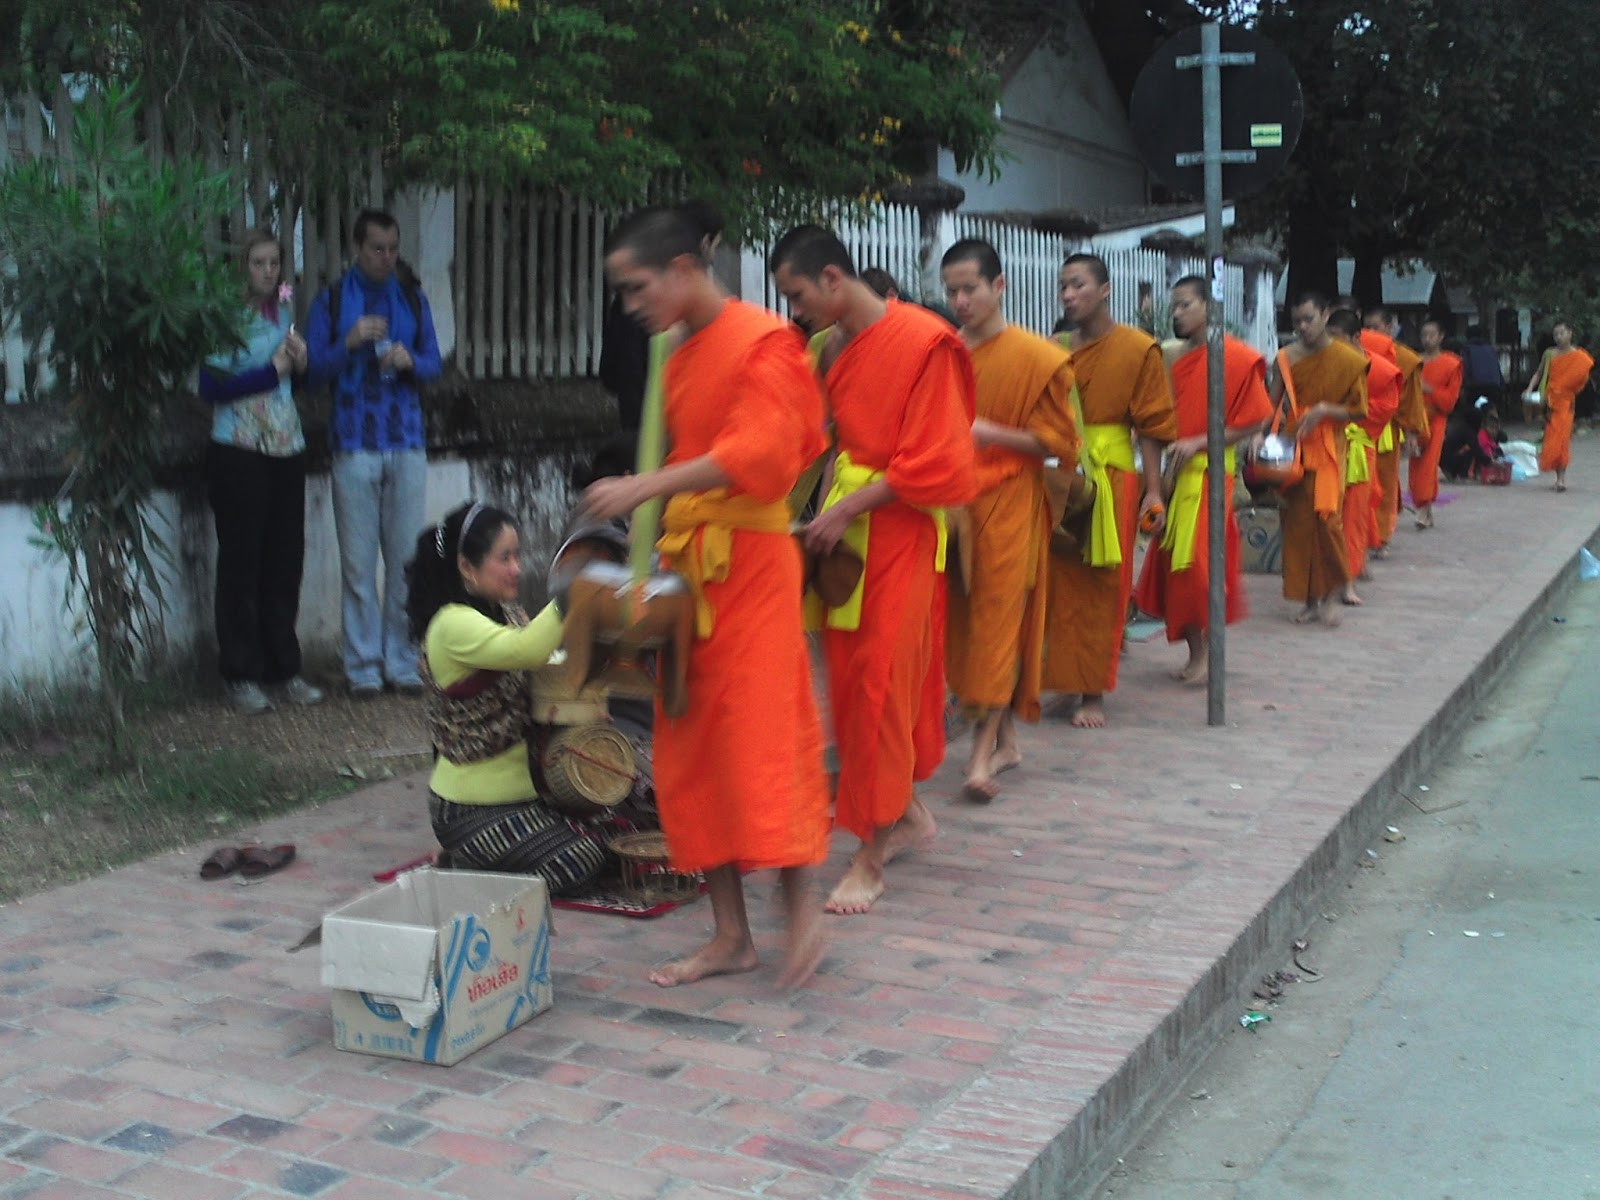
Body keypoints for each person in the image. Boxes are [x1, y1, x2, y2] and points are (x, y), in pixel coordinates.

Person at [583, 206, 831, 988]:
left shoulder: (766, 339)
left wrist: (645, 486)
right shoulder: (675, 352)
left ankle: (800, 908)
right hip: (688, 567)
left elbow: (760, 453)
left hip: (752, 565)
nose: (631, 305)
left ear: (685, 268)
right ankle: (732, 935)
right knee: (690, 748)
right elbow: (683, 453)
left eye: (636, 287)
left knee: (763, 735)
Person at [769, 224, 977, 916]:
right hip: (846, 534)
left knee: (882, 687)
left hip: (900, 531)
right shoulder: (827, 348)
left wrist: (848, 503)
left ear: (832, 279)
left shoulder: (925, 342)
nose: (794, 312)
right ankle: (905, 810)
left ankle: (870, 856)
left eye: (797, 296)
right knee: (856, 688)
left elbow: (940, 462)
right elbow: (807, 438)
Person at [404, 501, 612, 893]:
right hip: (469, 810)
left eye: (518, 555)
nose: (517, 568)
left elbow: (547, 655)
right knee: (582, 860)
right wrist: (574, 588)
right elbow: (528, 650)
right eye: (505, 558)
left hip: (525, 796)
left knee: (617, 825)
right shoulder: (451, 624)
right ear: (467, 567)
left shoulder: (504, 613)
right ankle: (469, 861)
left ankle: (478, 860)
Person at [938, 238, 1078, 802]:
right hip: (952, 503)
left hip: (1010, 499)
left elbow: (1059, 444)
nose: (960, 300)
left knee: (997, 624)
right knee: (964, 629)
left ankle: (978, 760)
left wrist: (992, 434)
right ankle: (1006, 738)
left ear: (999, 286)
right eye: (951, 291)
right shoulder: (943, 351)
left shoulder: (1036, 357)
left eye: (970, 288)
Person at [306, 209, 443, 699]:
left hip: (405, 439)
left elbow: (435, 362)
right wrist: (348, 341)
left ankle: (402, 660)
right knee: (359, 564)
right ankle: (362, 665)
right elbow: (311, 371)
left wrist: (412, 362)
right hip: (353, 442)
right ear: (356, 249)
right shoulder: (333, 299)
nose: (386, 257)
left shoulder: (411, 296)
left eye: (392, 248)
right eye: (377, 248)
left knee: (406, 559)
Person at [1044, 253, 1177, 727]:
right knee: (1060, 580)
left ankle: (1093, 691)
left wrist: (1154, 491)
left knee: (1103, 583)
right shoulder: (1055, 347)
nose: (1067, 295)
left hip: (1116, 478)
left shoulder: (1140, 349)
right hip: (1065, 475)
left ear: (1105, 290)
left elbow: (1151, 427)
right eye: (1063, 286)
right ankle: (1063, 676)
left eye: (1077, 285)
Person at [199, 229, 325, 715]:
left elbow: (299, 382)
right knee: (241, 564)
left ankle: (283, 668)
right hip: (239, 449)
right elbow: (211, 386)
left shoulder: (286, 313)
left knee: (284, 560)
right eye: (258, 263)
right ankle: (241, 672)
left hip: (285, 446)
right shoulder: (224, 320)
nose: (268, 272)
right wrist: (272, 370)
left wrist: (303, 363)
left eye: (274, 263)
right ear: (243, 268)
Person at [1133, 276, 1272, 681]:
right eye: (1173, 306)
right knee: (1175, 570)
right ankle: (1195, 653)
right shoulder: (1171, 357)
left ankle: (1211, 655)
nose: (1176, 313)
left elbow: (1254, 420)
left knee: (1201, 569)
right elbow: (1156, 420)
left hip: (1211, 476)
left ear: (1209, 308)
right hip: (1174, 476)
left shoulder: (1236, 358)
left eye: (1185, 305)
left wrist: (1200, 442)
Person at [1270, 292, 1369, 626]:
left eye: (1308, 319)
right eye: (1296, 321)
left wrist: (1325, 409)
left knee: (1327, 522)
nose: (1302, 327)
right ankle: (1310, 599)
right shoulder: (1285, 357)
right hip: (1293, 451)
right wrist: (1259, 436)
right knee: (1298, 526)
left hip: (1328, 450)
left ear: (1326, 315)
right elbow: (1269, 405)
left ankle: (1331, 593)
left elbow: (1359, 410)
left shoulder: (1347, 359)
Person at [1329, 309, 1398, 604]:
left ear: (1356, 338)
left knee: (1353, 515)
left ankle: (1347, 582)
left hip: (1359, 445)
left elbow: (1386, 408)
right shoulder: (1325, 362)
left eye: (1339, 339)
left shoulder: (1380, 369)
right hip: (1329, 446)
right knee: (1329, 515)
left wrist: (1350, 414)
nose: (1333, 345)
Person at [1363, 306, 1427, 557]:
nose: (1370, 333)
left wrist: (1412, 432)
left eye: (1376, 327)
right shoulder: (1357, 352)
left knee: (1385, 485)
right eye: (1367, 327)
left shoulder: (1405, 358)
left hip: (1388, 429)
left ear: (1391, 328)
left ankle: (1382, 536)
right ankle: (1364, 534)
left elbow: (1412, 398)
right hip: (1358, 427)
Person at [1525, 321, 1594, 492]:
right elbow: (1539, 373)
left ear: (1570, 333)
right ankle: (1558, 477)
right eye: (1556, 334)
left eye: (1562, 333)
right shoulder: (1550, 354)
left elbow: (1582, 378)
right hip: (1549, 403)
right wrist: (1529, 388)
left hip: (1566, 403)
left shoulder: (1579, 356)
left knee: (1562, 441)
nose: (1558, 337)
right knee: (1552, 440)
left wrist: (1568, 388)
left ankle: (1561, 480)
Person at [1412, 319, 1462, 528]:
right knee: (1416, 465)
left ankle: (1423, 511)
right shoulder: (1414, 361)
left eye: (1431, 335)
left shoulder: (1451, 363)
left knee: (1429, 464)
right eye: (1424, 335)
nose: (1427, 339)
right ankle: (1427, 510)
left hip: (1437, 418)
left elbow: (1450, 401)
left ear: (1441, 337)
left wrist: (1429, 389)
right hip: (1415, 419)